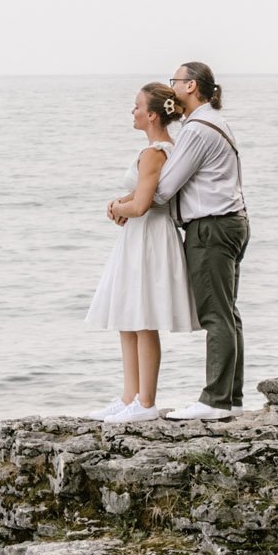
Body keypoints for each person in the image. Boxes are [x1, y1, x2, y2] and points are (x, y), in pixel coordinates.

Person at [108, 61, 247, 420]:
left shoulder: (198, 129)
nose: (174, 86)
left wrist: (125, 205)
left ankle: (216, 400)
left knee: (217, 315)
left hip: (212, 227)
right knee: (227, 313)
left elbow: (165, 188)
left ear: (192, 86)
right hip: (226, 222)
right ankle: (228, 396)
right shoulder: (209, 124)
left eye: (177, 80)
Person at [85, 83, 201, 421]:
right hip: (140, 235)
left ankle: (146, 403)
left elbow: (144, 203)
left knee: (143, 317)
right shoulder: (163, 149)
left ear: (151, 115)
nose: (132, 111)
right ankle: (129, 397)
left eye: (136, 106)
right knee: (128, 316)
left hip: (148, 236)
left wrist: (116, 205)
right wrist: (123, 204)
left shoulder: (154, 153)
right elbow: (141, 197)